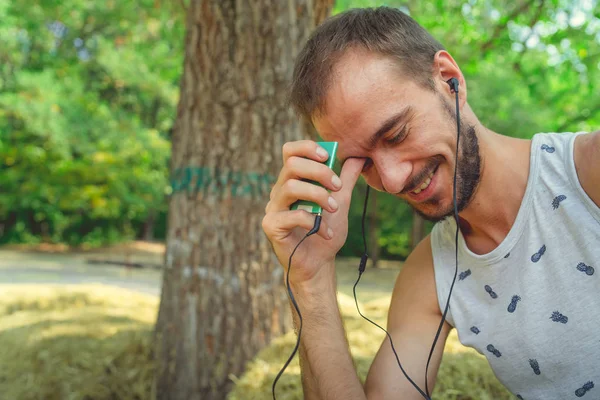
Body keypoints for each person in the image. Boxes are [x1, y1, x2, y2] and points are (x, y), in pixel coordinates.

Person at [262, 6, 600, 400]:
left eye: (396, 134)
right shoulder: (431, 275)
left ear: (448, 79)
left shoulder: (587, 174)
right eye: (364, 163)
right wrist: (310, 277)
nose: (392, 179)